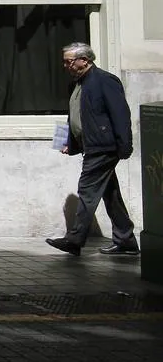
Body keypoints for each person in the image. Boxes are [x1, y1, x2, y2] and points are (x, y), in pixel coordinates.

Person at [46, 43, 139, 257]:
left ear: (84, 61)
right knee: (110, 193)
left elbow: (120, 114)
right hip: (91, 145)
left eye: (69, 61)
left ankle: (74, 239)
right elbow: (76, 116)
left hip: (103, 147)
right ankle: (126, 241)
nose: (66, 65)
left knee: (87, 191)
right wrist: (69, 141)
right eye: (65, 61)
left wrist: (125, 146)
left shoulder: (104, 80)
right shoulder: (77, 84)